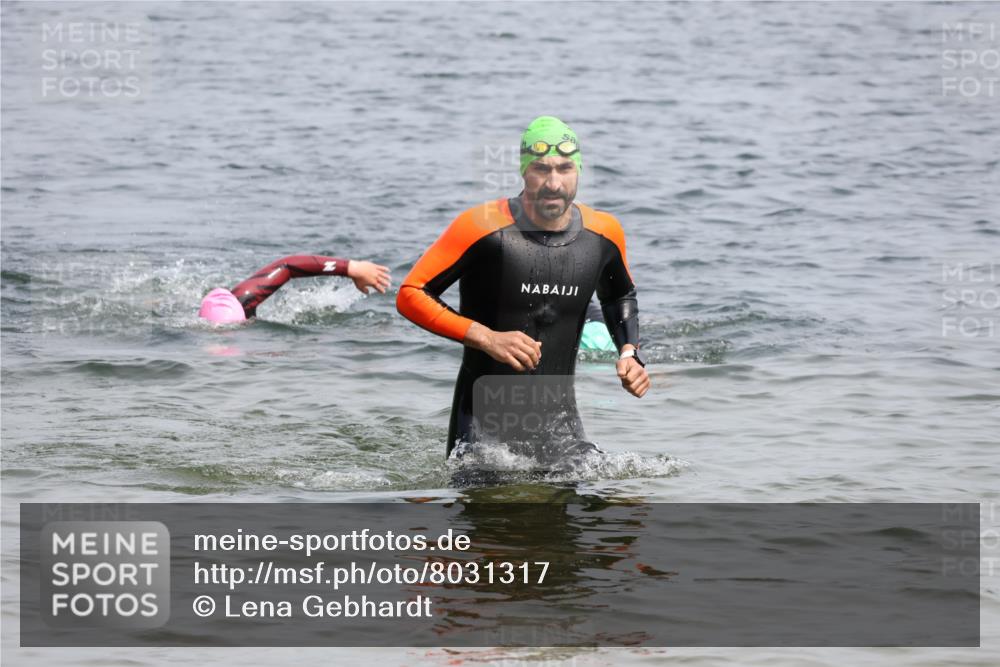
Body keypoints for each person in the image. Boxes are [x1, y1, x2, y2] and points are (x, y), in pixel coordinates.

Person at [397, 115, 649, 461]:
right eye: (542, 169)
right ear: (523, 171)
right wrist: (487, 338)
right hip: (482, 432)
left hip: (562, 429)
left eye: (564, 168)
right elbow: (412, 293)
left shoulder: (603, 233)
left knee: (627, 508)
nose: (554, 182)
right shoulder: (481, 227)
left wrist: (629, 353)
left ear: (579, 170)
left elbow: (619, 295)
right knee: (489, 512)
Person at [199, 255, 391, 323]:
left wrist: (352, 268)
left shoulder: (241, 303)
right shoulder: (237, 311)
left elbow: (288, 265)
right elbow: (287, 266)